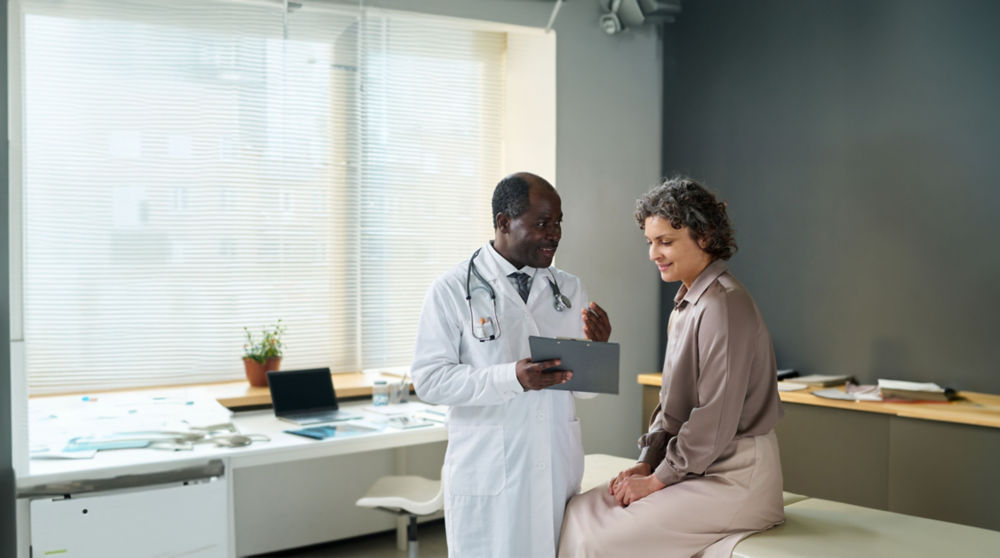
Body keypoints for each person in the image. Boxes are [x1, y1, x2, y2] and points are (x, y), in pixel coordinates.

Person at [558, 177, 784, 558]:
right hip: (693, 466)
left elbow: (714, 419)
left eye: (665, 242)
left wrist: (658, 479)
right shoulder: (686, 304)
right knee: (579, 513)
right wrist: (647, 462)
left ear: (704, 236)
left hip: (734, 478)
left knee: (599, 539)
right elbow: (670, 407)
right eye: (650, 242)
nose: (653, 254)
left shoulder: (725, 306)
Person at [411, 172, 612, 558]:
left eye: (558, 223)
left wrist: (597, 351)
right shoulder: (451, 290)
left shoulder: (568, 288)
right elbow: (430, 380)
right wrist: (512, 378)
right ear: (504, 222)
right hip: (490, 469)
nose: (554, 234)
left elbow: (586, 391)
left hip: (554, 467)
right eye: (542, 223)